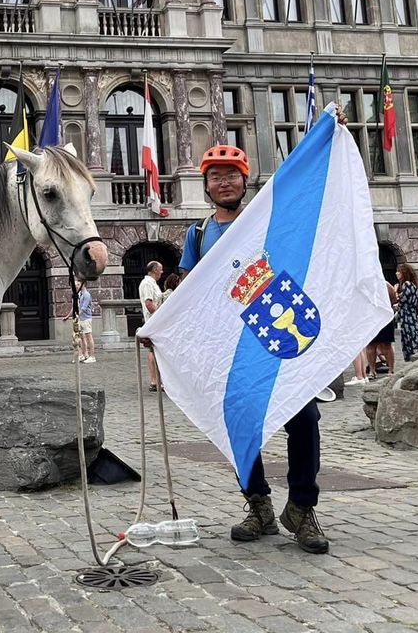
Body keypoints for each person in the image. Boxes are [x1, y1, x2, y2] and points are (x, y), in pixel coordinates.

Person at [178, 118, 350, 555]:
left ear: (244, 180)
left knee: (305, 419)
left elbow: (308, 199)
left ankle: (302, 507)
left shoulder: (268, 219)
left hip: (274, 341)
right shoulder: (197, 234)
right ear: (206, 185)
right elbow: (187, 294)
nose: (224, 182)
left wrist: (329, 133)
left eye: (231, 175)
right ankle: (258, 505)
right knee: (238, 428)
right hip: (228, 350)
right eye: (215, 176)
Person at [138, 261, 164, 391]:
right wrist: (161, 317)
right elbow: (149, 303)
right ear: (154, 270)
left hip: (155, 321)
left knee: (154, 350)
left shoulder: (152, 283)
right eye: (160, 269)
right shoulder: (147, 283)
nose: (162, 272)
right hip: (154, 321)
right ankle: (154, 380)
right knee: (153, 350)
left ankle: (158, 380)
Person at [366, 280, 398, 379]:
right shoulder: (366, 286)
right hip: (371, 318)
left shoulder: (386, 285)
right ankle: (372, 370)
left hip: (384, 318)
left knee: (386, 344)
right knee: (371, 345)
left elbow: (394, 300)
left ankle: (391, 369)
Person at [396, 263, 418, 362]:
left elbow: (402, 299)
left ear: (403, 273)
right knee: (415, 333)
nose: (396, 273)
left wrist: (395, 292)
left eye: (398, 271)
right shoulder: (413, 285)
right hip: (412, 314)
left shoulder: (407, 284)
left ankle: (415, 354)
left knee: (410, 334)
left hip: (407, 315)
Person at [65, 278, 97, 363]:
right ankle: (83, 354)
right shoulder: (80, 294)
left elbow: (83, 308)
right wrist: (68, 316)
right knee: (81, 337)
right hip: (81, 318)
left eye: (77, 285)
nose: (76, 287)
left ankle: (92, 356)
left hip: (86, 318)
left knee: (88, 336)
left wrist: (76, 315)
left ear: (81, 285)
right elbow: (76, 306)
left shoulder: (86, 295)